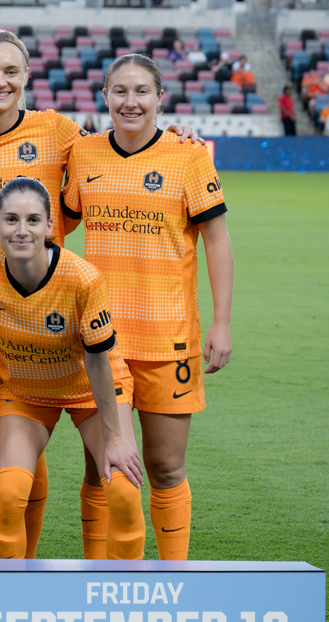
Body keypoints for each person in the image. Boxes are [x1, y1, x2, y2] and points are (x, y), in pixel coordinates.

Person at [0, 28, 199, 560]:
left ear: (27, 76)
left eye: (11, 71)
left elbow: (119, 142)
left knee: (29, 453)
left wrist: (173, 134)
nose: (0, 81)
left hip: (42, 312)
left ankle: (35, 567)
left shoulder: (59, 132)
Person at [63, 53, 234, 561]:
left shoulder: (189, 156)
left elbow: (217, 240)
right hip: (102, 342)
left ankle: (173, 577)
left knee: (165, 467)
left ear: (160, 98)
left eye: (141, 91)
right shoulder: (84, 154)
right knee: (104, 468)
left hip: (169, 339)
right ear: (105, 97)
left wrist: (221, 323)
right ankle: (101, 579)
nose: (130, 102)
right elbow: (58, 225)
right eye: (120, 91)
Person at [0, 177, 145, 560]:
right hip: (26, 394)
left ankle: (118, 588)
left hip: (91, 390)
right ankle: (4, 590)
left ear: (49, 226)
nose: (21, 230)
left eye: (33, 220)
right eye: (11, 219)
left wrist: (115, 437)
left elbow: (97, 360)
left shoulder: (83, 279)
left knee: (123, 492)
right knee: (9, 493)